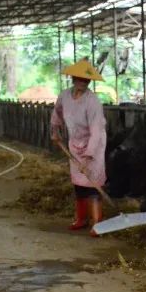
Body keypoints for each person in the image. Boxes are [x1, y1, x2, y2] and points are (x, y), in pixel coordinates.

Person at [50, 58, 107, 237]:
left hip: (94, 144)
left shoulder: (93, 101)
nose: (83, 82)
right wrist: (55, 130)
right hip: (75, 144)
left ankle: (97, 223)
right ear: (73, 78)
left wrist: (89, 155)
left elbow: (96, 130)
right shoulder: (64, 96)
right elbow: (57, 111)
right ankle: (81, 219)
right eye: (80, 79)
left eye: (86, 80)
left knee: (93, 184)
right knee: (79, 184)